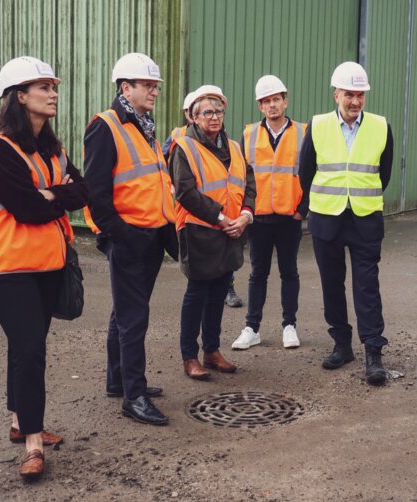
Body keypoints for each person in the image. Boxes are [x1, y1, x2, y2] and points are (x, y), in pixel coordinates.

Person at [0, 56, 88, 478]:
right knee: (31, 350)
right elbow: (25, 209)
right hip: (7, 268)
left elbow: (83, 190)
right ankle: (34, 446)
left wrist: (50, 194)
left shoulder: (52, 149)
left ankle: (21, 423)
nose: (53, 93)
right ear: (19, 96)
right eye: (43, 87)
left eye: (53, 86)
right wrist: (57, 196)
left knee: (24, 346)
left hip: (46, 264)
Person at [83, 52, 177, 425]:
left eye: (155, 85)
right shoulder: (106, 126)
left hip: (150, 235)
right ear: (126, 87)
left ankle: (117, 380)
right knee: (133, 317)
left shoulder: (144, 124)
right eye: (148, 85)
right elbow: (96, 192)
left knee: (124, 313)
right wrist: (122, 236)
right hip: (130, 239)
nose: (155, 90)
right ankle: (133, 396)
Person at [299, 61, 394, 386]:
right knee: (331, 283)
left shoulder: (381, 126)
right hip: (327, 217)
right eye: (349, 94)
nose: (355, 101)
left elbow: (385, 173)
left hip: (365, 218)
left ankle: (373, 351)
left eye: (360, 95)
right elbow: (305, 171)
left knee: (367, 285)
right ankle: (342, 344)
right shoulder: (319, 125)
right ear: (336, 93)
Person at [170, 87, 256, 379]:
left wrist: (245, 216)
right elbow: (185, 191)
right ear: (193, 117)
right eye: (207, 112)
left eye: (218, 111)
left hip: (231, 231)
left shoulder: (233, 147)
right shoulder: (184, 147)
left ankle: (212, 350)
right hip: (199, 231)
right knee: (197, 293)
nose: (214, 117)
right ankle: (189, 356)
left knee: (219, 290)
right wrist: (221, 218)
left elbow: (249, 185)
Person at [232, 75, 307, 350]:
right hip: (259, 217)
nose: (272, 105)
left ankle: (290, 325)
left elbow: (311, 172)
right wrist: (245, 210)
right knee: (256, 273)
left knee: (289, 272)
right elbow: (241, 176)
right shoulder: (249, 133)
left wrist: (303, 209)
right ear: (260, 106)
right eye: (266, 101)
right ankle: (252, 328)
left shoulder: (303, 132)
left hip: (290, 217)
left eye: (276, 99)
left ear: (285, 101)